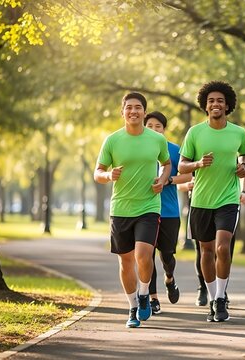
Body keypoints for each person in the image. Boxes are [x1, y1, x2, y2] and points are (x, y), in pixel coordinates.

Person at [94, 92, 171, 328]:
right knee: (126, 262)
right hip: (121, 208)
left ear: (144, 112)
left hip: (148, 206)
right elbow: (97, 172)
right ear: (122, 112)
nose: (133, 111)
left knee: (143, 255)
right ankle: (132, 307)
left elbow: (166, 164)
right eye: (129, 108)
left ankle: (145, 292)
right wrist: (109, 175)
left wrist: (162, 178)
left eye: (138, 107)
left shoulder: (156, 139)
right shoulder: (112, 140)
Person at [178, 81, 245, 322]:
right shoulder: (195, 133)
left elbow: (244, 154)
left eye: (219, 100)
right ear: (205, 106)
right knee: (206, 252)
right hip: (201, 200)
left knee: (222, 247)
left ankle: (220, 298)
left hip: (228, 199)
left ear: (227, 105)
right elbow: (181, 165)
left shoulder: (238, 132)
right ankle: (211, 297)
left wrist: (243, 167)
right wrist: (197, 164)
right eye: (211, 101)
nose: (215, 104)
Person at [144, 111, 193, 315]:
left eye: (158, 127)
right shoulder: (140, 150)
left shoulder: (174, 150)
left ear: (164, 129)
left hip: (169, 212)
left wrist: (168, 180)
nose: (154, 130)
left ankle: (170, 279)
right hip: (145, 210)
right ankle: (153, 298)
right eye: (150, 126)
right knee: (147, 256)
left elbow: (188, 175)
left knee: (167, 255)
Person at [180, 173, 245, 308]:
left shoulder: (231, 153)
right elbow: (180, 181)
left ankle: (221, 293)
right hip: (201, 203)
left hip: (227, 204)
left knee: (223, 249)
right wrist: (188, 185)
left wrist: (244, 192)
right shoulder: (197, 154)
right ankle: (204, 288)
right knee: (203, 251)